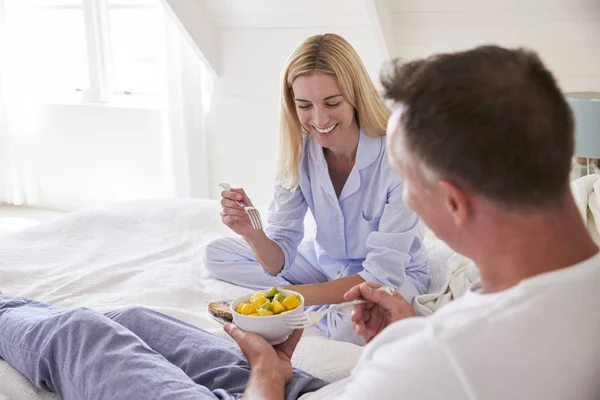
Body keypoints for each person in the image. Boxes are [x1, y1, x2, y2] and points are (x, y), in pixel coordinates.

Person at [2, 45, 599, 400]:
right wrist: (404, 326)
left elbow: (438, 363)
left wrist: (266, 380)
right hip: (333, 373)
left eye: (410, 189)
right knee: (131, 320)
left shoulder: (439, 361)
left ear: (453, 202)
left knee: (80, 334)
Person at [204, 33, 430, 345]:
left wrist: (284, 297)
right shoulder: (297, 151)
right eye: (305, 105)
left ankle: (327, 300)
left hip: (392, 275)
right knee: (217, 254)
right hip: (327, 265)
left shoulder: (398, 155)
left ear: (355, 96)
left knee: (347, 328)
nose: (319, 119)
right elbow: (279, 256)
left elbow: (382, 274)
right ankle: (329, 296)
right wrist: (251, 233)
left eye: (332, 103)